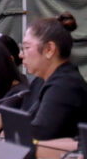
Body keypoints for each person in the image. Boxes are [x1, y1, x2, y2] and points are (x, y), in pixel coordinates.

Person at [19, 12, 87, 145]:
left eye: (26, 47)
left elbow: (37, 136)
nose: (21, 54)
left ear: (49, 49)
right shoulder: (42, 81)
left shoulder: (65, 86)